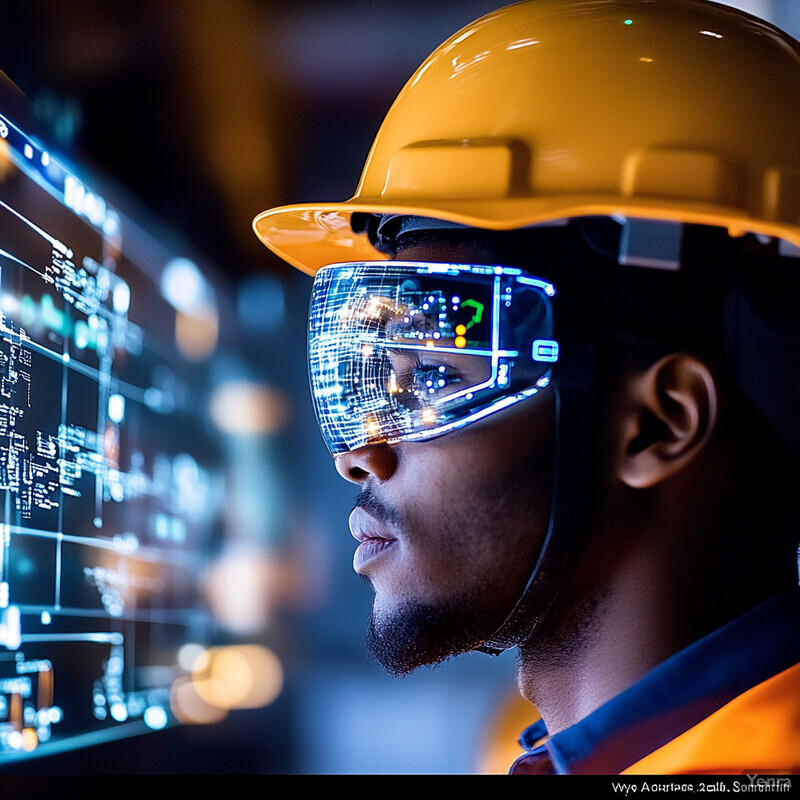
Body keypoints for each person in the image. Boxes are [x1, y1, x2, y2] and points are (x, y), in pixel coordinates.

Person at [253, 0, 800, 774]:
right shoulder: (576, 748)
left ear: (660, 423)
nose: (361, 455)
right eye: (387, 371)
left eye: (435, 373)